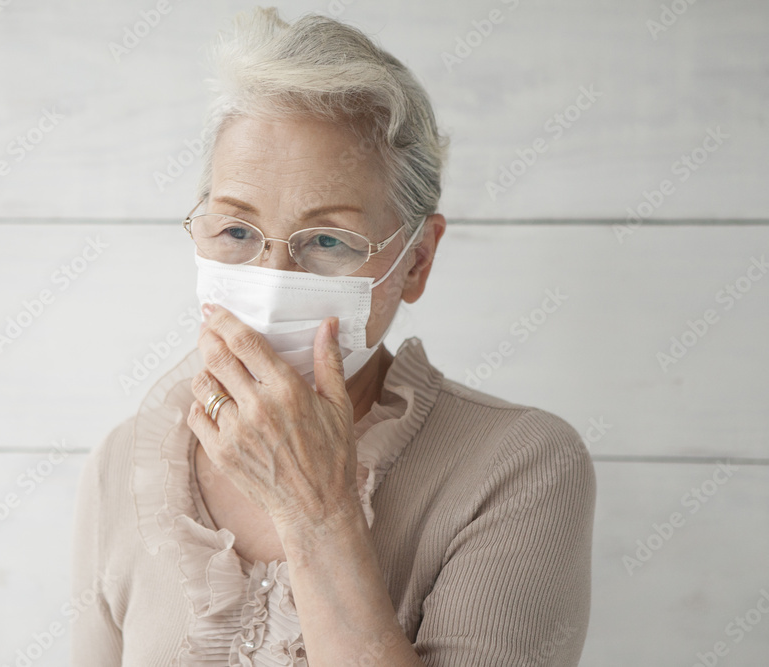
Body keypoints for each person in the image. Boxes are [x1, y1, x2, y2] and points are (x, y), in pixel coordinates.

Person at [72, 7, 595, 666]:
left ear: (416, 260)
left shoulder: (517, 466)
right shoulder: (125, 465)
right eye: (235, 230)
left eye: (327, 240)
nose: (270, 276)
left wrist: (317, 512)